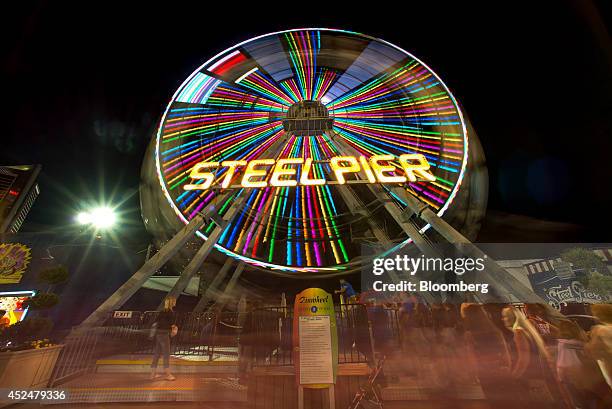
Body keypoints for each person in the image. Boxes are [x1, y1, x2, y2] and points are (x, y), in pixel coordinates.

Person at [501, 306, 571, 408]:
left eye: (506, 316)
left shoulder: (519, 332)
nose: (503, 319)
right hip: (539, 376)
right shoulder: (528, 329)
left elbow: (523, 359)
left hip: (530, 379)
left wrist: (513, 376)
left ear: (513, 317)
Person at [461, 303, 513, 402]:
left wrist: (474, 374)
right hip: (501, 370)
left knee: (493, 400)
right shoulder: (496, 332)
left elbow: (472, 358)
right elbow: (506, 353)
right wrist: (508, 368)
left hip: (485, 373)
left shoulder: (470, 335)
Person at [150, 297, 178, 381]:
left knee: (157, 354)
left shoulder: (162, 312)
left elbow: (156, 322)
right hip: (164, 335)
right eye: (174, 301)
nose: (175, 302)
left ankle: (152, 374)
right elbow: (172, 325)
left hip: (158, 334)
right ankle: (168, 374)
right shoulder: (170, 312)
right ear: (172, 302)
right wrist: (175, 329)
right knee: (166, 354)